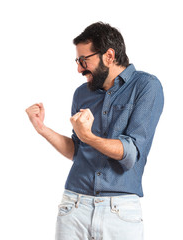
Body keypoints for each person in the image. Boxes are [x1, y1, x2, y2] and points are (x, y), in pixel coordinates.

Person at [25, 22, 164, 240]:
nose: (79, 69)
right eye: (77, 61)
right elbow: (77, 151)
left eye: (84, 60)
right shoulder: (82, 93)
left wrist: (88, 136)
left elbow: (130, 155)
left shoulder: (146, 86)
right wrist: (42, 129)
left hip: (119, 212)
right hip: (74, 205)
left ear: (109, 55)